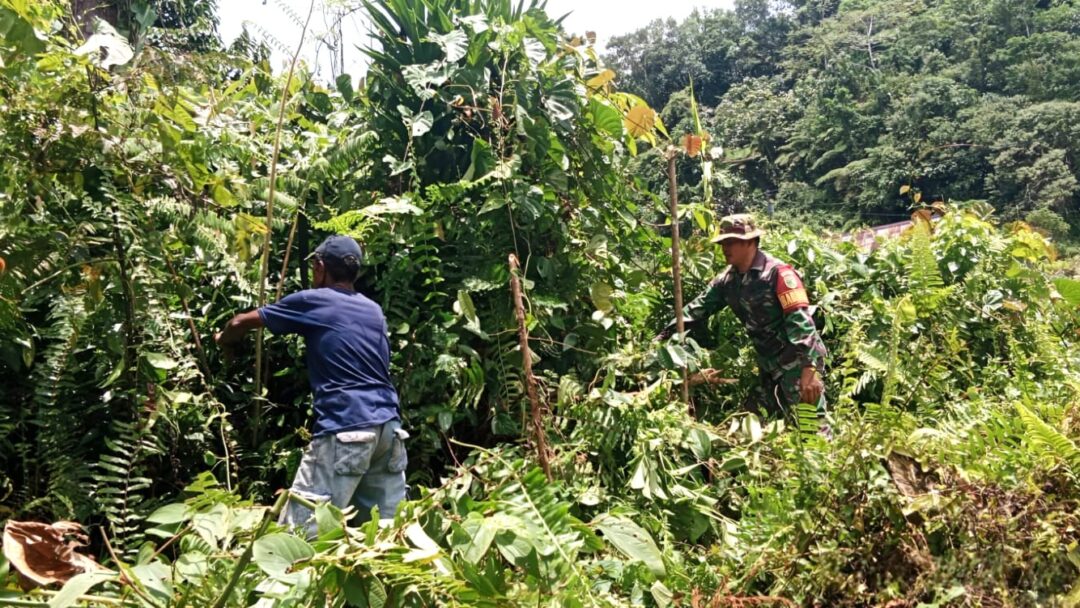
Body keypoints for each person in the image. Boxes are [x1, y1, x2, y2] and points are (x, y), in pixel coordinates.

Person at [215, 235, 407, 533]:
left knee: (301, 535)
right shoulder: (374, 310)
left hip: (346, 428)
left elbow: (240, 323)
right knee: (385, 532)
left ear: (320, 267)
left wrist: (223, 342)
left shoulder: (314, 300)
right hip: (389, 431)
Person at [658, 214, 827, 421]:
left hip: (798, 364)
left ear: (750, 242)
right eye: (722, 243)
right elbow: (696, 310)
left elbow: (801, 323)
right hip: (769, 367)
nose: (724, 248)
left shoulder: (778, 274)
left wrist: (809, 371)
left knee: (811, 428)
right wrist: (662, 337)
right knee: (753, 424)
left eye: (730, 242)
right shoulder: (727, 281)